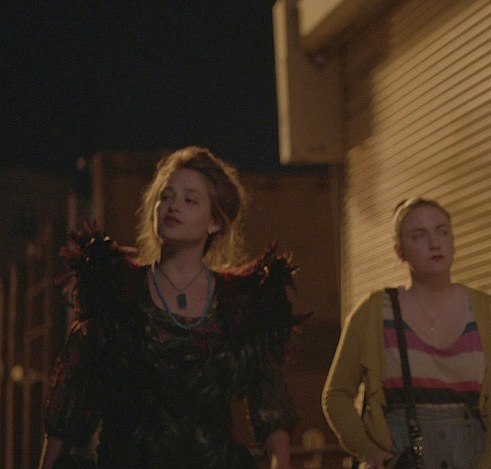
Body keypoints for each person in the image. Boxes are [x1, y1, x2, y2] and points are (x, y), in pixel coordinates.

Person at [39, 146, 303, 469]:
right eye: (166, 196)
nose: (173, 206)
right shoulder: (116, 291)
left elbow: (271, 410)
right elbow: (74, 394)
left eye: (190, 200)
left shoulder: (239, 301)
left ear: (215, 222)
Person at [322, 198, 491, 468]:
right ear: (399, 250)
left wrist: (490, 465)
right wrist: (368, 450)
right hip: (400, 454)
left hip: (469, 453)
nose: (434, 243)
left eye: (442, 231)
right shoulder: (375, 311)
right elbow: (336, 394)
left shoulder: (487, 310)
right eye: (419, 235)